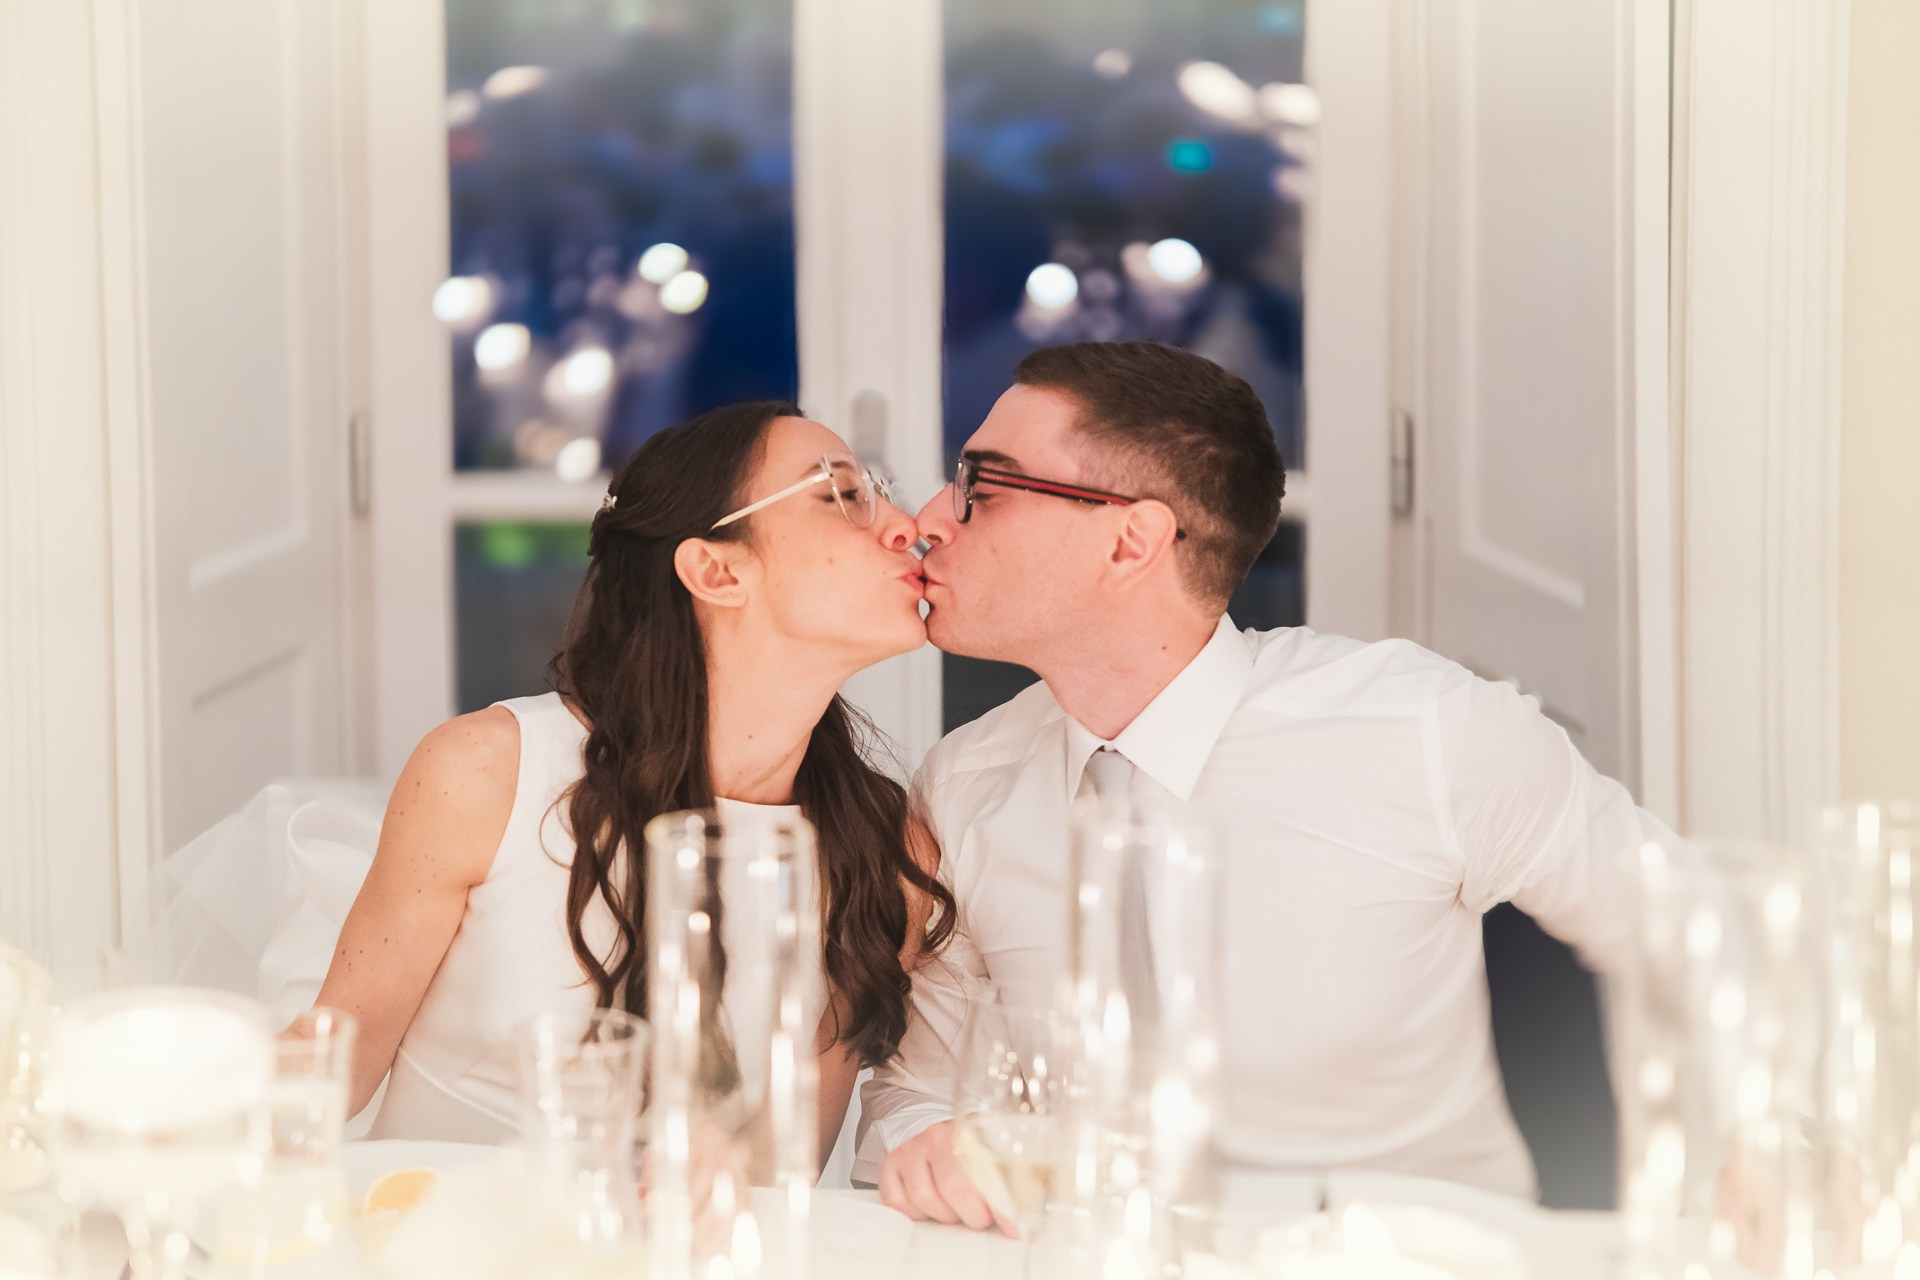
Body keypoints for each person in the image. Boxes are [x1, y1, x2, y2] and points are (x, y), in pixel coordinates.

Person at [863, 341, 1663, 1226]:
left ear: (1132, 540)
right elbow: (917, 1087)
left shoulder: (1429, 731)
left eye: (984, 486)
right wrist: (932, 1143)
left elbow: (1687, 934)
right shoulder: (966, 785)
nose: (928, 517)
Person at [312, 401, 953, 1157]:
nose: (904, 524)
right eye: (840, 495)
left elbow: (779, 1176)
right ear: (716, 569)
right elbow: (333, 1074)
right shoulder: (486, 774)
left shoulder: (884, 855)